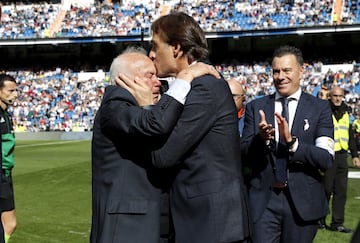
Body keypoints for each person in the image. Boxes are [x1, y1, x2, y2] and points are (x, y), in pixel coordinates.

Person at [90, 46, 220, 243]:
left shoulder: (144, 103)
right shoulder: (115, 103)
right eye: (149, 76)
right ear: (125, 80)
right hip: (126, 228)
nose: (157, 81)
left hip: (154, 222)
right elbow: (153, 126)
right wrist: (185, 77)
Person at [146, 12, 251, 243]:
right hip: (200, 221)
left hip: (212, 225)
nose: (151, 54)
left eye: (155, 46)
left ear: (175, 48)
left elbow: (162, 155)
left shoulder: (204, 87)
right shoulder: (193, 84)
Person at [240, 45, 334, 243]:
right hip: (264, 202)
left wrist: (293, 144)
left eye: (286, 70)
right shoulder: (255, 108)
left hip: (302, 204)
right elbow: (243, 154)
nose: (280, 76)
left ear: (301, 71)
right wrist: (261, 139)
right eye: (276, 71)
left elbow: (325, 159)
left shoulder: (320, 109)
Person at [322, 86, 360, 233]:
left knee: (341, 190)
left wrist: (355, 155)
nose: (338, 98)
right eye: (335, 96)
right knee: (325, 188)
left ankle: (337, 223)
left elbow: (350, 136)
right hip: (327, 154)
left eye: (340, 96)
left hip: (342, 156)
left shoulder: (346, 113)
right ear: (330, 97)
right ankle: (320, 219)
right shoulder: (324, 111)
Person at [0, 74, 18, 243]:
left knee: (10, 224)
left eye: (16, 90)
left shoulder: (6, 114)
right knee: (9, 223)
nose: (15, 94)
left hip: (5, 173)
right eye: (11, 91)